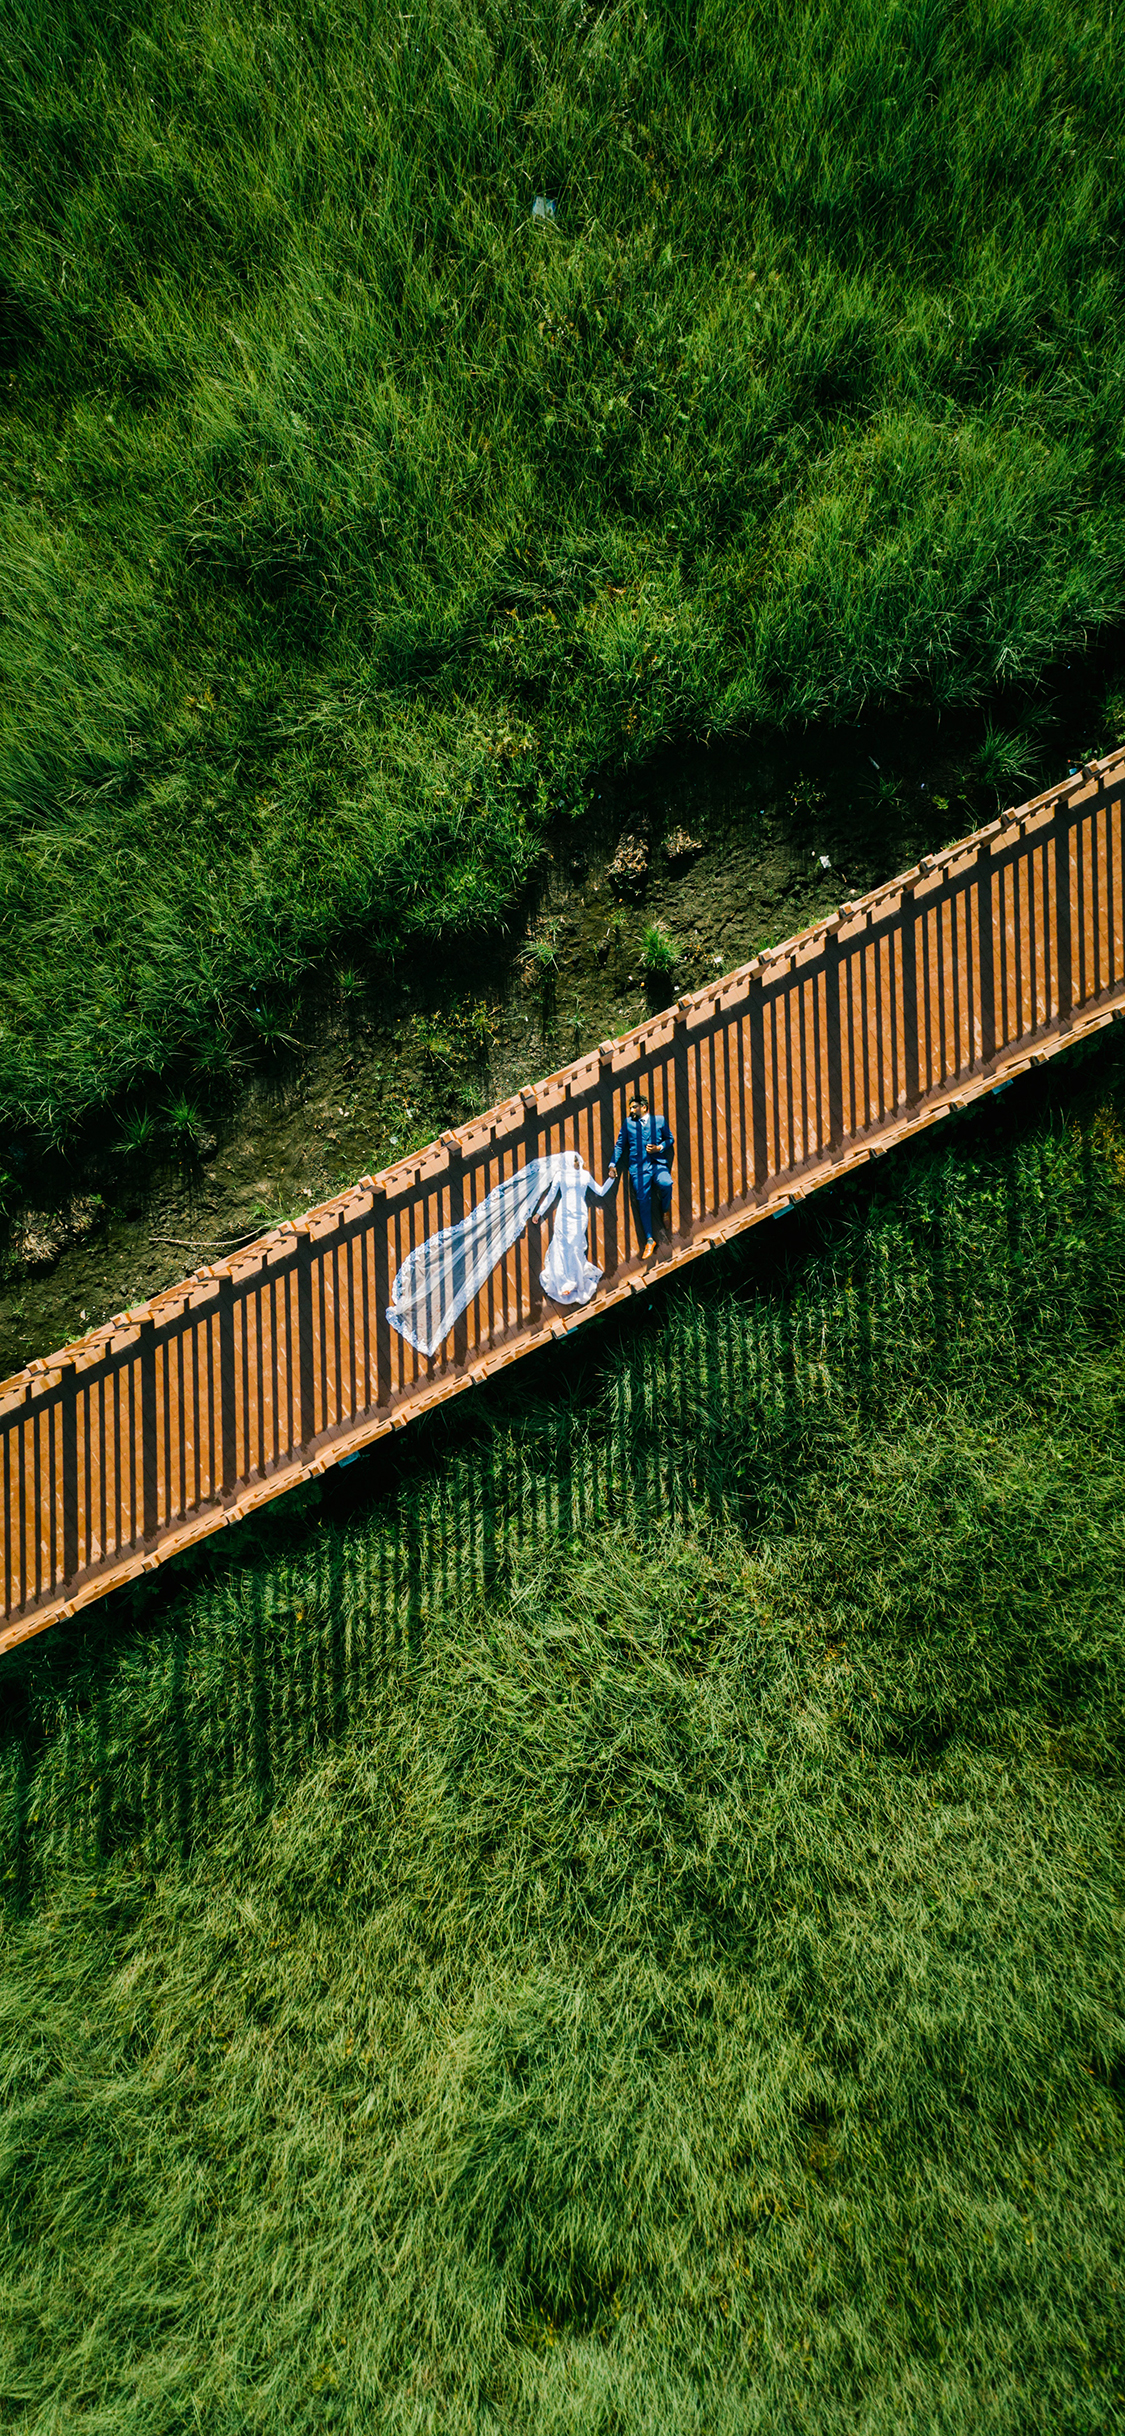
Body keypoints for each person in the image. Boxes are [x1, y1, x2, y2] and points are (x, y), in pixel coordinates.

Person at [610, 1091, 675, 1257]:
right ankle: (649, 1239)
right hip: (638, 1168)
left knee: (667, 1184)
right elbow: (619, 1146)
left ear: (644, 1107)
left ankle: (665, 1209)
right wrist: (612, 1164)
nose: (631, 1110)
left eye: (634, 1107)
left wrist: (659, 1148)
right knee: (643, 1201)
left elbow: (670, 1139)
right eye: (631, 1107)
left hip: (657, 1164)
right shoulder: (627, 1124)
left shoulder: (659, 1120)